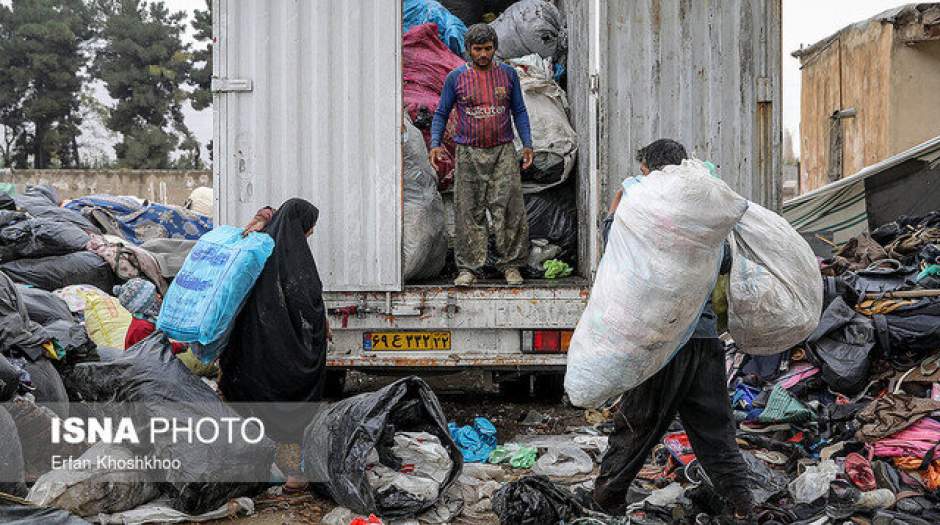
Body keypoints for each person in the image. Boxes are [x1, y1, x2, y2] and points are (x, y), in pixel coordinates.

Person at [592, 139, 754, 521]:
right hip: (704, 340)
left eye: (644, 171)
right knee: (716, 434)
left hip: (663, 342)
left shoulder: (647, 212)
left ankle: (606, 499)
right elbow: (726, 260)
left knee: (635, 424)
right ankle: (744, 507)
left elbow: (622, 254)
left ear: (651, 171)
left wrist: (613, 217)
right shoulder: (704, 214)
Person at [219, 199, 329, 489]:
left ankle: (255, 466)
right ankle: (291, 472)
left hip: (252, 352)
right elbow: (307, 304)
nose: (311, 233)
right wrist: (319, 328)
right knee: (288, 412)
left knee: (255, 411)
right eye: (309, 227)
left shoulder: (257, 248)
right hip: (283, 355)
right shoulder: (295, 260)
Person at [430, 23, 534, 287]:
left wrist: (528, 144)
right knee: (468, 210)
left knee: (509, 208)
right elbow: (441, 113)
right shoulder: (456, 78)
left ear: (495, 48)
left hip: (503, 151)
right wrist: (434, 144)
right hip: (468, 152)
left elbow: (519, 111)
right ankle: (468, 269)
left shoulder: (509, 75)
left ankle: (511, 266)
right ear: (468, 50)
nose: (483, 54)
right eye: (478, 49)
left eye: (488, 49)